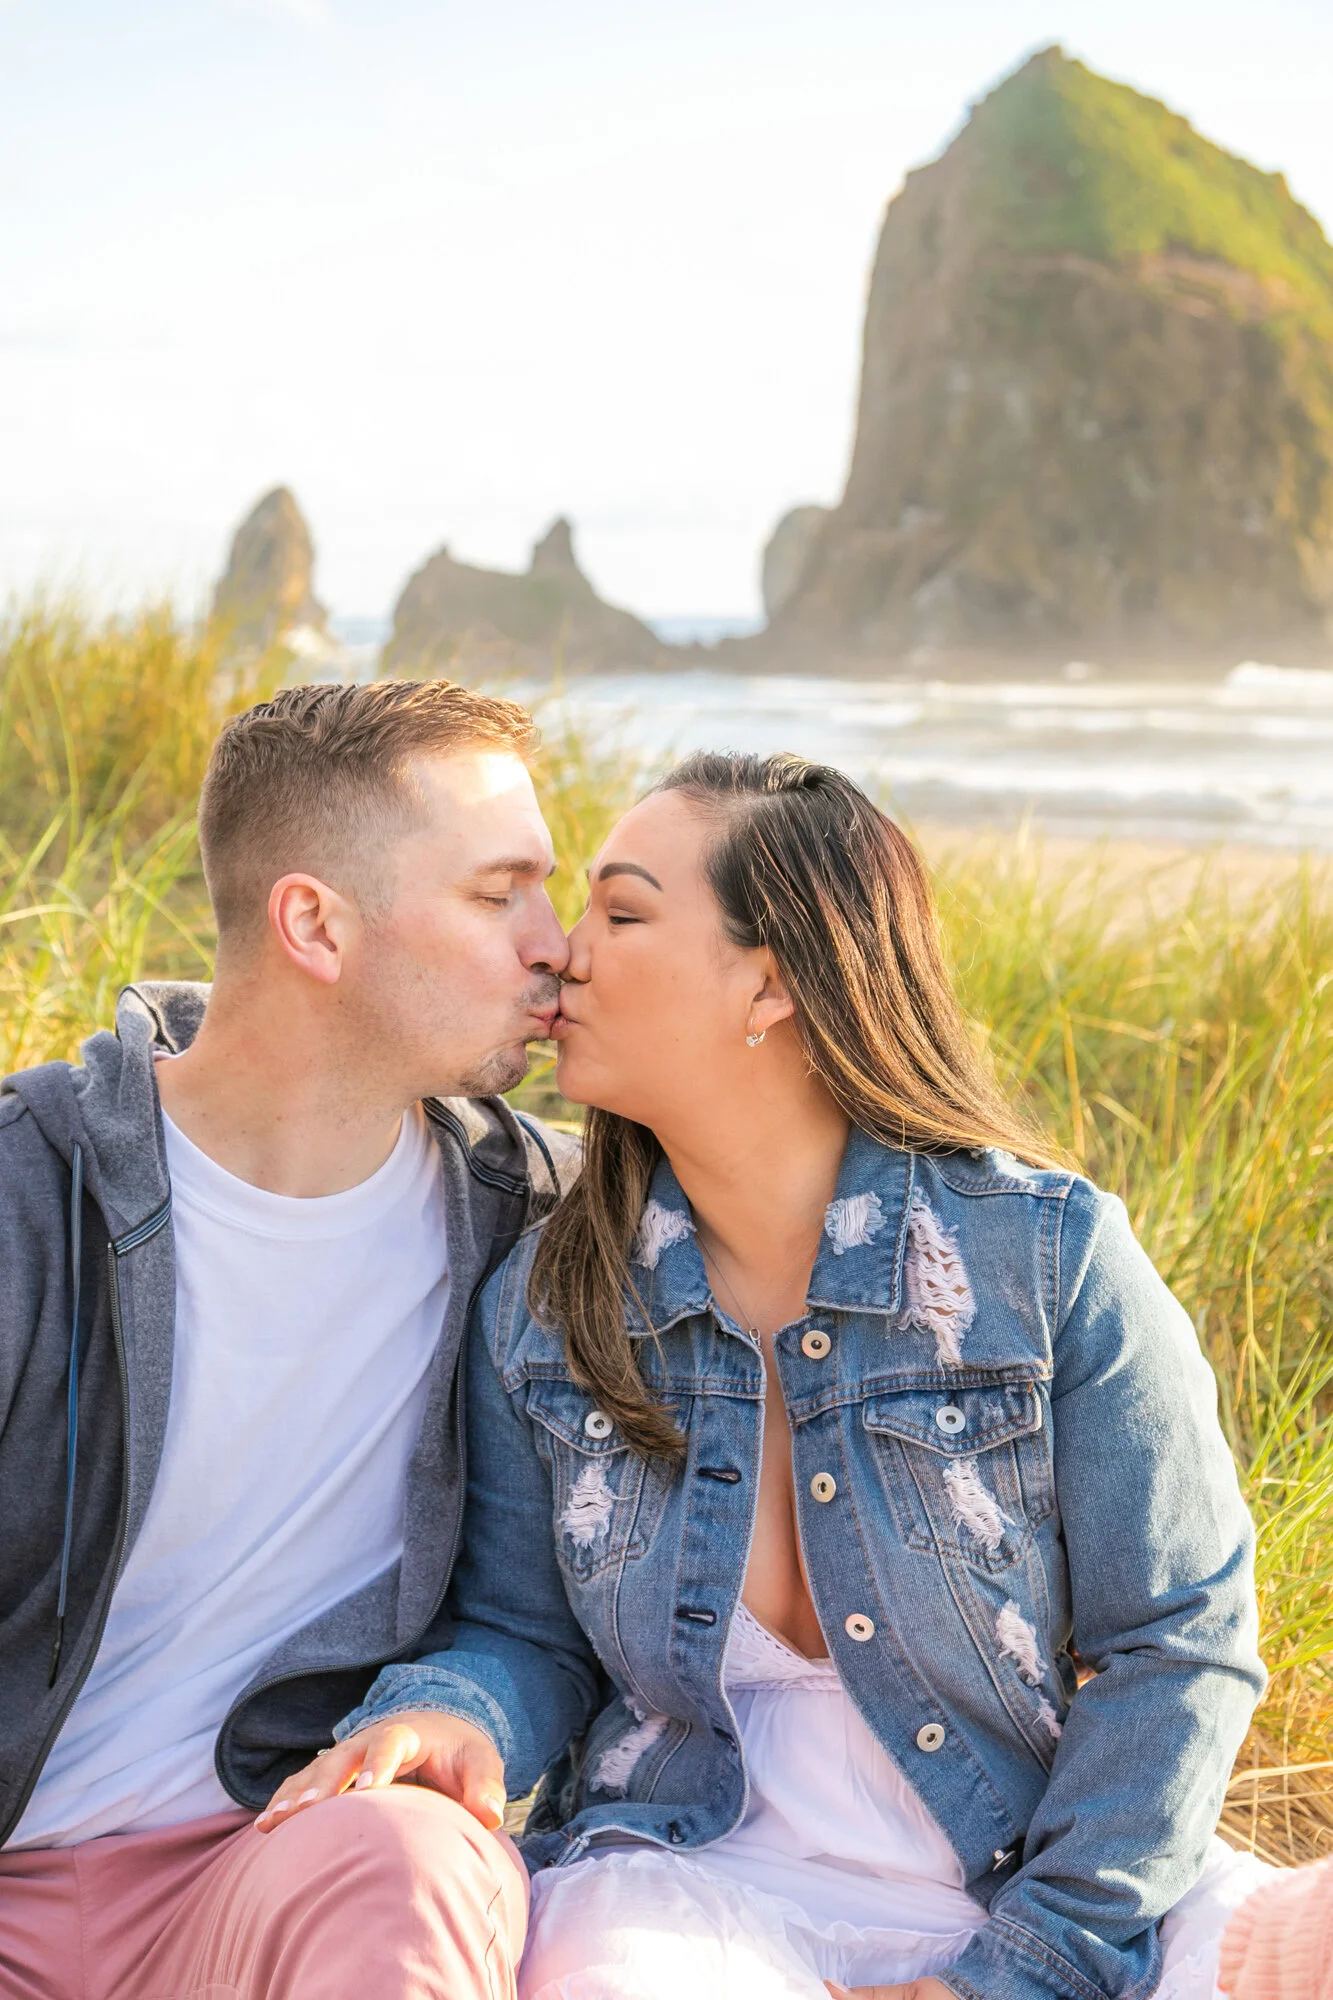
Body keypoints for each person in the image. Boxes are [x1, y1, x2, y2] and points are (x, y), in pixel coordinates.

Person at [268, 750, 1274, 2000]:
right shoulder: (548, 1305)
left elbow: (1178, 1642)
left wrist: (1026, 1968)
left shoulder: (1043, 1257)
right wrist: (452, 1713)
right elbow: (524, 1631)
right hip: (695, 1890)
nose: (562, 951)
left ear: (774, 979)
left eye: (621, 912)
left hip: (1039, 1888)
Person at [0, 680, 577, 2000]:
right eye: (501, 896)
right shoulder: (28, 1197)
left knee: (411, 1866)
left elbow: (526, 1618)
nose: (560, 943)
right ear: (314, 923)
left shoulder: (539, 1226)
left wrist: (452, 1713)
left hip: (278, 1864)